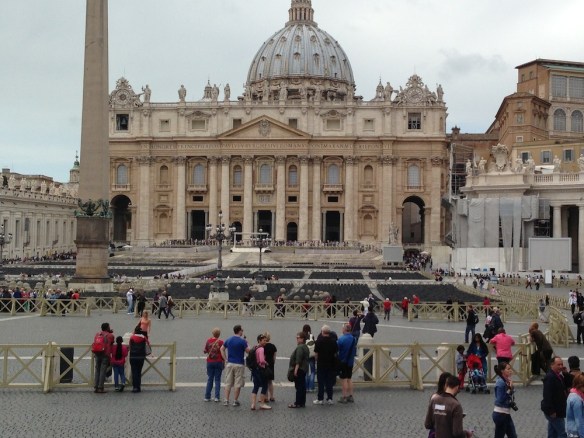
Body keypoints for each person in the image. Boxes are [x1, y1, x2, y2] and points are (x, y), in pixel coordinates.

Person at [220, 324, 249, 406]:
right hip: (239, 364)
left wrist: (225, 359)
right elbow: (248, 351)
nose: (242, 332)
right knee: (238, 383)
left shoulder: (229, 339)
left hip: (230, 363)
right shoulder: (242, 341)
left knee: (228, 382)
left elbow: (221, 349)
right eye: (242, 330)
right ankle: (235, 400)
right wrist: (247, 343)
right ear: (239, 331)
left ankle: (226, 400)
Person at [541, 356, 569, 438]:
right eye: (558, 365)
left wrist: (565, 373)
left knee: (552, 433)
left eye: (561, 364)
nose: (560, 366)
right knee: (563, 433)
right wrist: (551, 411)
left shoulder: (558, 376)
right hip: (554, 412)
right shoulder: (550, 377)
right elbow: (547, 395)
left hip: (557, 410)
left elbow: (566, 386)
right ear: (552, 365)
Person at [313, 324, 338, 405]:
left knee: (321, 382)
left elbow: (316, 353)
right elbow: (335, 353)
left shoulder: (319, 341)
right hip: (330, 364)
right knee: (329, 382)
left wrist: (317, 361)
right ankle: (330, 398)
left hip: (321, 364)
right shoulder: (333, 341)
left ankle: (320, 399)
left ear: (322, 332)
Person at [493, 361, 517, 438]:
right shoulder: (500, 382)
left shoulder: (506, 381)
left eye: (510, 369)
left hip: (505, 413)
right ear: (502, 371)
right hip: (500, 414)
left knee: (513, 436)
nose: (510, 371)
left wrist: (511, 387)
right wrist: (510, 389)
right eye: (508, 369)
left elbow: (509, 394)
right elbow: (500, 399)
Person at [249, 334, 271, 410]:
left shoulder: (255, 347)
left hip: (255, 370)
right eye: (264, 340)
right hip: (261, 370)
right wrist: (266, 363)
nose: (265, 342)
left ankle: (253, 404)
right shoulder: (261, 349)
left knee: (255, 387)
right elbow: (261, 360)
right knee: (265, 386)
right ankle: (262, 403)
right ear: (259, 340)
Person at [288, 331, 309, 408]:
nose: (297, 339)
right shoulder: (305, 347)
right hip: (304, 369)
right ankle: (302, 402)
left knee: (299, 386)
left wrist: (295, 370)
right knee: (302, 386)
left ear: (302, 339)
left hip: (299, 369)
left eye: (298, 338)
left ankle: (297, 403)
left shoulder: (300, 347)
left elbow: (298, 360)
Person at [337, 323, 357, 404]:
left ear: (344, 329)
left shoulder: (341, 339)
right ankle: (351, 396)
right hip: (350, 361)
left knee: (344, 379)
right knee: (349, 379)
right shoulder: (354, 339)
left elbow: (337, 348)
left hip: (343, 361)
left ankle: (344, 396)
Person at [92, 322, 114, 393]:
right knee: (102, 371)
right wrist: (110, 332)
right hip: (105, 354)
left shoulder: (97, 334)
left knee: (97, 370)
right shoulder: (110, 335)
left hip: (97, 353)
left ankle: (95, 386)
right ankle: (100, 387)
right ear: (107, 328)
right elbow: (112, 342)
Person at [203, 327, 224, 402]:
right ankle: (217, 397)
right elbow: (223, 352)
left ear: (212, 333)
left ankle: (207, 396)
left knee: (210, 379)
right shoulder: (221, 342)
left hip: (210, 362)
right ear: (219, 334)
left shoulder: (208, 341)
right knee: (217, 380)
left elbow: (205, 350)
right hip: (218, 362)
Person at [129, 326, 150, 393]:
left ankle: (134, 387)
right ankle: (138, 387)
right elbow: (148, 344)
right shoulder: (144, 337)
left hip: (133, 356)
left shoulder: (132, 337)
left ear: (135, 331)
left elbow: (129, 346)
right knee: (139, 371)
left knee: (134, 371)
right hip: (141, 356)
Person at [566, 373, 584, 438]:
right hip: (577, 432)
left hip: (571, 429)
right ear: (580, 386)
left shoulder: (571, 394)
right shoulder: (577, 400)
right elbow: (579, 420)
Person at [262, 331, 277, 402]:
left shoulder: (263, 347)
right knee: (270, 382)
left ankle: (266, 397)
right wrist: (273, 362)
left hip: (265, 364)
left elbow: (263, 356)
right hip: (271, 364)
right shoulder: (273, 346)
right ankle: (272, 396)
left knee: (265, 381)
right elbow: (274, 356)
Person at [302, 324, 316, 393]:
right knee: (312, 372)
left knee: (306, 372)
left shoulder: (302, 336)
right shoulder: (312, 336)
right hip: (311, 355)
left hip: (305, 355)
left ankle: (305, 387)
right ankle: (311, 387)